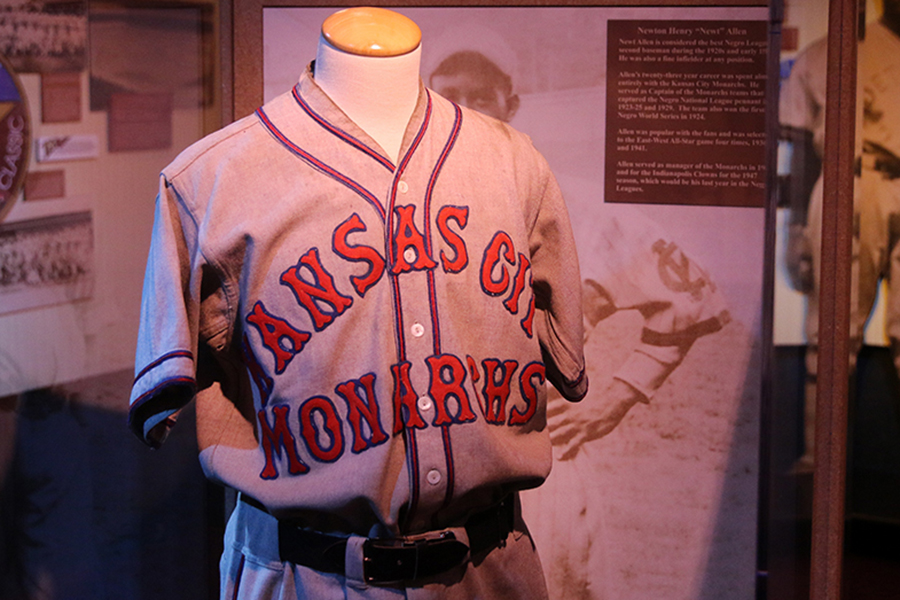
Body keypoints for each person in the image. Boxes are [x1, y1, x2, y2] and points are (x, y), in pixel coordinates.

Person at [128, 7, 587, 600]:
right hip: (301, 575)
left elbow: (566, 361)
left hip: (490, 572)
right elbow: (159, 394)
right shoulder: (206, 182)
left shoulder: (517, 166)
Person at [427, 42, 731, 599]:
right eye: (450, 97)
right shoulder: (398, 208)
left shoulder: (577, 206)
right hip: (427, 476)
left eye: (481, 98)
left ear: (512, 103)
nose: (467, 111)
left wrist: (616, 399)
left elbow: (689, 301)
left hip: (538, 471)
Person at [779, 1, 900, 469]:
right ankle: (819, 461)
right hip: (850, 181)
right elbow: (802, 154)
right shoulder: (827, 52)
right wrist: (795, 229)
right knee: (832, 331)